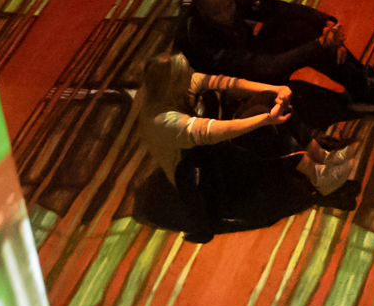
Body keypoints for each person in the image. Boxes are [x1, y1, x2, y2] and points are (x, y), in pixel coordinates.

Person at [134, 54, 361, 226]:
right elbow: (210, 131)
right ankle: (318, 176)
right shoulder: (160, 120)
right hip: (201, 180)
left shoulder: (174, 87)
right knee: (259, 125)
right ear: (172, 85)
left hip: (208, 153)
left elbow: (226, 83)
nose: (191, 77)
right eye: (185, 76)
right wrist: (265, 120)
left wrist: (276, 90)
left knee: (266, 101)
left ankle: (322, 156)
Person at [178, 0, 374, 110]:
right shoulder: (200, 41)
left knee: (300, 27)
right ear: (204, 12)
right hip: (234, 89)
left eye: (230, 5)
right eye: (218, 12)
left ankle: (364, 78)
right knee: (311, 48)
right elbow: (265, 67)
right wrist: (320, 44)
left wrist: (324, 22)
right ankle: (364, 88)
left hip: (250, 58)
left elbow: (278, 9)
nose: (228, 14)